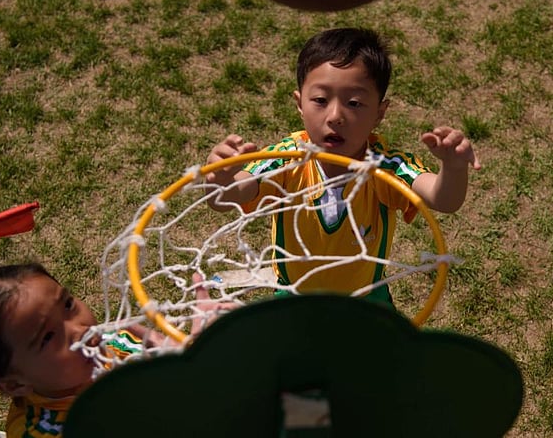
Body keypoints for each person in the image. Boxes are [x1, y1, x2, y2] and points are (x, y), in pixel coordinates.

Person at [206, 27, 480, 302]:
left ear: (379, 113)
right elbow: (227, 198)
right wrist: (221, 179)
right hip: (294, 298)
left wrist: (453, 168)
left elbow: (444, 200)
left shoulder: (386, 167)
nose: (335, 116)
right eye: (320, 100)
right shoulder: (286, 160)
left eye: (354, 103)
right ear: (300, 104)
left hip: (365, 300)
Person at [0, 262, 229, 438]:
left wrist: (194, 357)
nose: (79, 329)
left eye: (68, 304)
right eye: (48, 337)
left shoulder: (114, 343)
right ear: (14, 384)